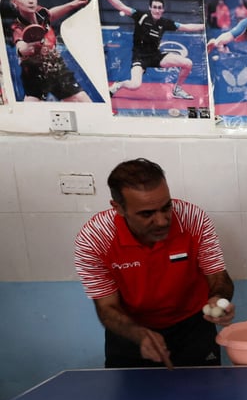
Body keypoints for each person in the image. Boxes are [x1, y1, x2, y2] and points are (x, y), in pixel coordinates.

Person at [74, 158, 236, 369]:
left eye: (166, 207)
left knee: (205, 398)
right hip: (131, 331)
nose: (161, 221)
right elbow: (107, 307)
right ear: (118, 208)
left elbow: (218, 277)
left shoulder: (193, 218)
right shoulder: (94, 239)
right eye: (146, 214)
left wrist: (218, 299)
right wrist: (139, 335)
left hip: (193, 329)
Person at [98, 0, 205, 100]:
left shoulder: (165, 23)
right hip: (140, 58)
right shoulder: (141, 16)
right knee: (135, 85)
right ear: (150, 8)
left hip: (156, 56)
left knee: (187, 63)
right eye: (154, 7)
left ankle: (177, 89)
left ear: (163, 9)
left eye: (159, 8)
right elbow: (121, 7)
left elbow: (186, 27)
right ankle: (118, 85)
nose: (157, 10)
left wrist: (205, 26)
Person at [6, 0, 92, 102]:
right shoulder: (17, 27)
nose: (31, 0)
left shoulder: (41, 13)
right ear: (14, 2)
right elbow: (20, 47)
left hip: (56, 68)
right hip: (34, 74)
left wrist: (74, 4)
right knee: (31, 113)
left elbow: (51, 14)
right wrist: (27, 49)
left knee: (84, 102)